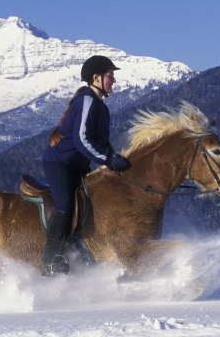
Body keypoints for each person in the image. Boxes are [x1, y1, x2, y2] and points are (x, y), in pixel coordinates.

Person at [40, 55, 132, 276]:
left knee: (94, 200)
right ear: (96, 78)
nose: (114, 80)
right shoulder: (87, 101)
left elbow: (101, 143)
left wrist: (114, 159)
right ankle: (50, 260)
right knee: (65, 203)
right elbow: (82, 140)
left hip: (79, 165)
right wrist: (108, 160)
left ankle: (79, 244)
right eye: (111, 75)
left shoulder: (103, 108)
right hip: (60, 163)